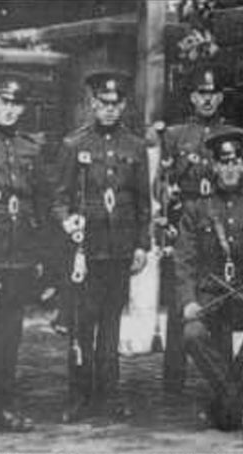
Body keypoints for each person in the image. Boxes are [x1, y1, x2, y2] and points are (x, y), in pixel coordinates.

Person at [54, 69, 150, 421]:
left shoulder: (136, 146)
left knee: (110, 327)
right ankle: (78, 397)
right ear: (92, 104)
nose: (110, 109)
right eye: (103, 102)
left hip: (120, 250)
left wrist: (142, 245)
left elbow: (143, 203)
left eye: (116, 103)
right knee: (82, 325)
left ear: (123, 105)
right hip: (87, 251)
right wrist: (66, 220)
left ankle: (108, 397)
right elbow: (59, 198)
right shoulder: (73, 145)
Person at [175, 126, 243, 430]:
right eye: (224, 163)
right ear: (215, 166)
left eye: (236, 162)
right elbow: (184, 260)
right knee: (193, 334)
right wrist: (188, 301)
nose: (230, 169)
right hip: (211, 296)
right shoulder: (197, 208)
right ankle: (236, 397)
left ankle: (226, 400)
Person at [151, 63, 235, 392]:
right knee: (179, 301)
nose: (208, 100)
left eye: (213, 93)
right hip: (184, 225)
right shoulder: (174, 135)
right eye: (202, 93)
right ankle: (173, 381)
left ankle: (222, 380)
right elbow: (162, 183)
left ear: (220, 98)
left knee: (221, 299)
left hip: (219, 225)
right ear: (192, 97)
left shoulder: (230, 134)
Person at [0, 73, 50, 432]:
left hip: (18, 254)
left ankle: (3, 406)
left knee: (9, 335)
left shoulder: (31, 147)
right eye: (4, 101)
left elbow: (42, 203)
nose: (10, 109)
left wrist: (42, 255)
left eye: (16, 104)